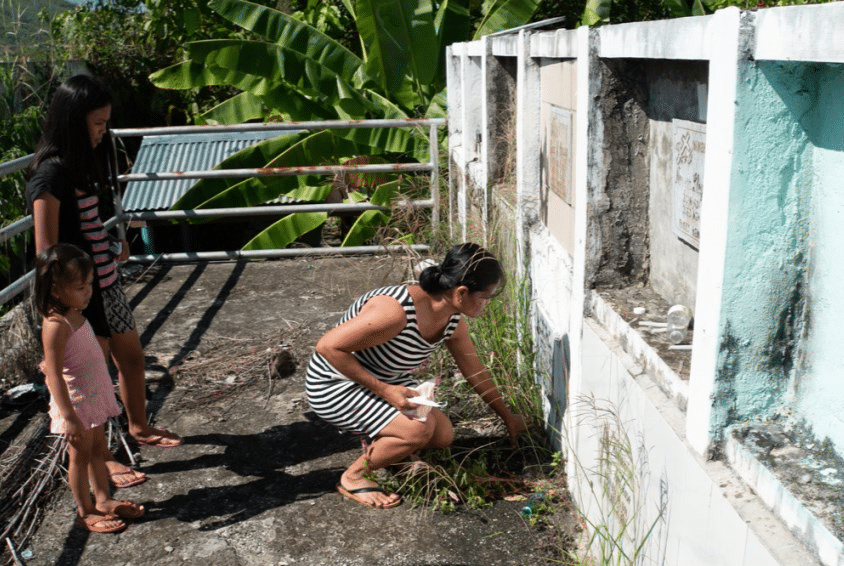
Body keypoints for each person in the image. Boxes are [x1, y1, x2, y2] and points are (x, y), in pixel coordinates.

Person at [26, 74, 182, 490]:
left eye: (106, 123)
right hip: (77, 297)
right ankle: (105, 457)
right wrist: (69, 309)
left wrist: (112, 248)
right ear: (74, 122)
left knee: (131, 358)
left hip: (105, 282)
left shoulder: (87, 162)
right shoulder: (51, 175)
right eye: (97, 123)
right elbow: (48, 253)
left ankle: (139, 426)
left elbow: (89, 225)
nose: (103, 132)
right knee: (93, 382)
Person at [306, 243, 529, 509]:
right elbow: (327, 347)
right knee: (416, 431)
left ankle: (390, 450)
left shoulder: (452, 320)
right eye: (485, 297)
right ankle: (353, 477)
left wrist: (508, 416)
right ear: (461, 292)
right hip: (336, 383)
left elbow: (475, 371)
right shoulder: (395, 311)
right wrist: (385, 391)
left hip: (382, 381)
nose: (486, 304)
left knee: (442, 435)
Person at [35, 243, 145, 533]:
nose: (89, 292)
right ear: (57, 290)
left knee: (99, 449)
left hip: (93, 395)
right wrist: (68, 416)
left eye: (90, 285)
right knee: (79, 456)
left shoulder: (76, 313)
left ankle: (104, 499)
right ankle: (85, 511)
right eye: (81, 286)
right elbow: (55, 374)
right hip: (77, 403)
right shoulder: (56, 324)